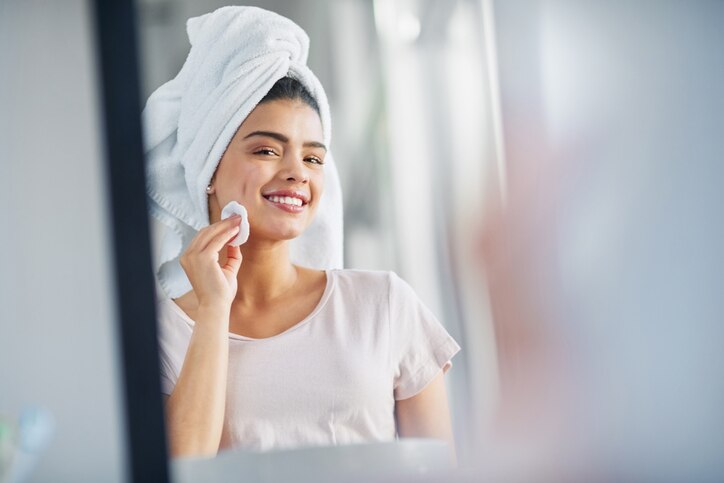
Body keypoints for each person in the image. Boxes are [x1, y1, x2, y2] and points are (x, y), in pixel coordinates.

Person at [144, 6, 460, 460]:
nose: (297, 173)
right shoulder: (163, 333)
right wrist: (213, 310)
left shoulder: (382, 305)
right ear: (209, 168)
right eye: (268, 150)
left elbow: (442, 471)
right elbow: (182, 467)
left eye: (312, 158)